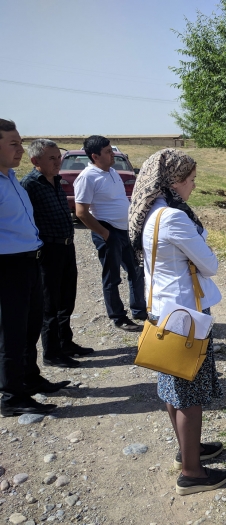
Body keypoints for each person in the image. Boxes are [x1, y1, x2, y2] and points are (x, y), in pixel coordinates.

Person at [128, 149, 226, 496]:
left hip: (163, 312)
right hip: (185, 317)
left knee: (173, 388)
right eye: (190, 180)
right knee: (189, 394)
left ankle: (188, 449)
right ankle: (192, 472)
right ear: (173, 183)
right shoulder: (173, 217)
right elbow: (211, 264)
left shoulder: (151, 214)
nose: (194, 186)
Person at [0, 119, 69, 417]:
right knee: (11, 334)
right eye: (13, 143)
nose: (20, 149)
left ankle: (29, 378)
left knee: (30, 327)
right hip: (7, 267)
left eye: (20, 142)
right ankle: (11, 396)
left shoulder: (11, 179)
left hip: (29, 262)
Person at [20, 139, 94, 369]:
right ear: (35, 160)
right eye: (51, 158)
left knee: (66, 299)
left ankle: (65, 343)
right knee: (49, 304)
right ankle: (51, 353)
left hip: (66, 247)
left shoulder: (57, 181)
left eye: (58, 157)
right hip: (48, 251)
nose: (57, 162)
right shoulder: (30, 185)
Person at [74, 135, 146, 332]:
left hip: (125, 231)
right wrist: (105, 234)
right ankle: (118, 317)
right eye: (107, 152)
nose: (112, 154)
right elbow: (81, 212)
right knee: (112, 277)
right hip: (108, 231)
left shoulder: (112, 172)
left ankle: (139, 310)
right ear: (95, 156)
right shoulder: (87, 177)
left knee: (136, 270)